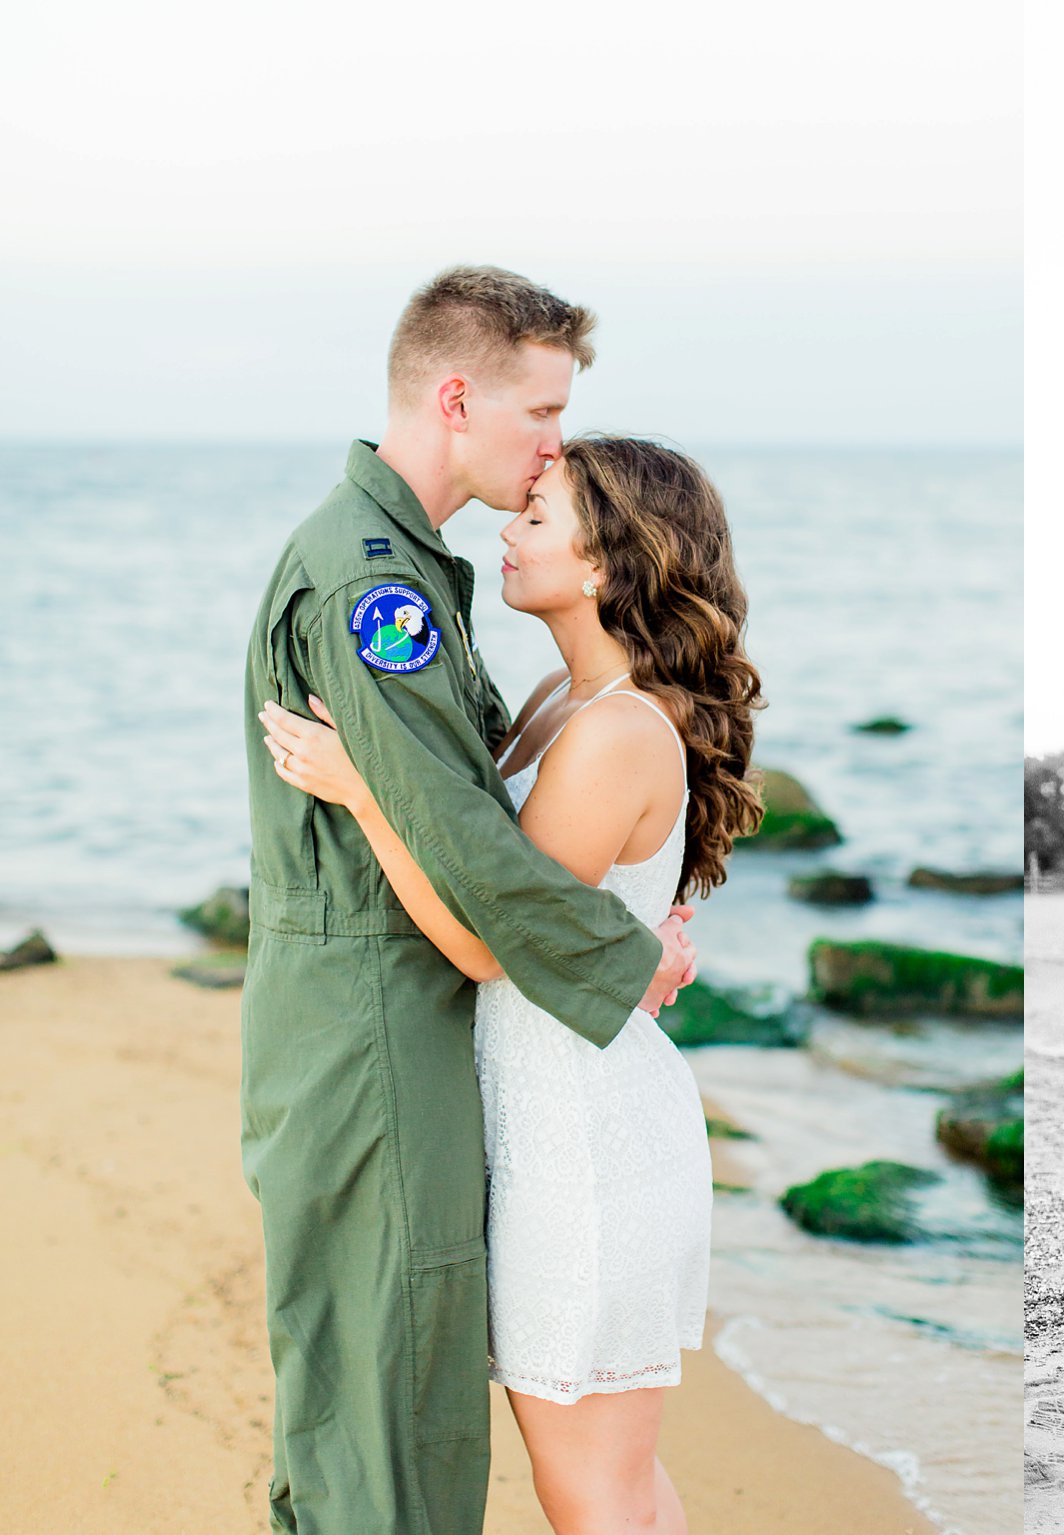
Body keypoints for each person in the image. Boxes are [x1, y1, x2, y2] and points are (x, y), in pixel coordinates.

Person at [239, 266, 700, 1535]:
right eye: (542, 416)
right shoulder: (374, 580)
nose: (552, 445)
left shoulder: (421, 573)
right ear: (457, 395)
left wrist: (620, 930)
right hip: (377, 1020)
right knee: (377, 1400)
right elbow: (479, 862)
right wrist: (617, 947)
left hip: (489, 1055)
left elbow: (478, 841)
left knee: (414, 1397)